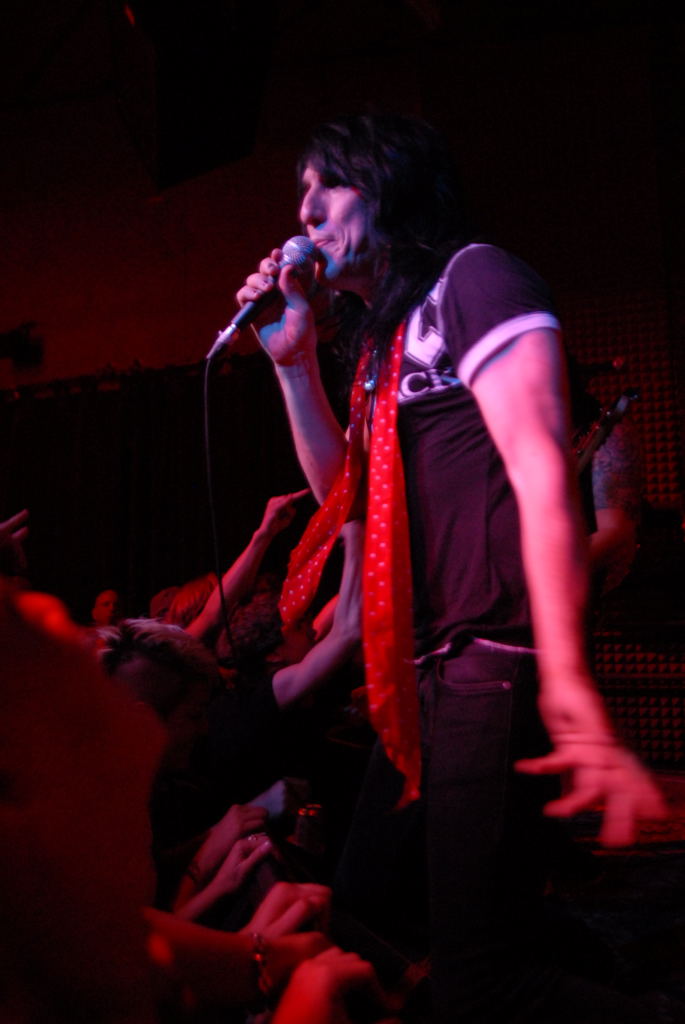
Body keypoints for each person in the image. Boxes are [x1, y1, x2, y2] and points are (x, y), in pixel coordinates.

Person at [236, 113, 667, 1022]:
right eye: (300, 192)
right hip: (426, 670)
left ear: (392, 187)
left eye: (329, 184)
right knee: (369, 911)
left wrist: (567, 685)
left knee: (483, 976)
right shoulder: (383, 342)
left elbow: (542, 476)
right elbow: (345, 500)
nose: (305, 211)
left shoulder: (475, 279)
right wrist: (295, 363)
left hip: (493, 654)